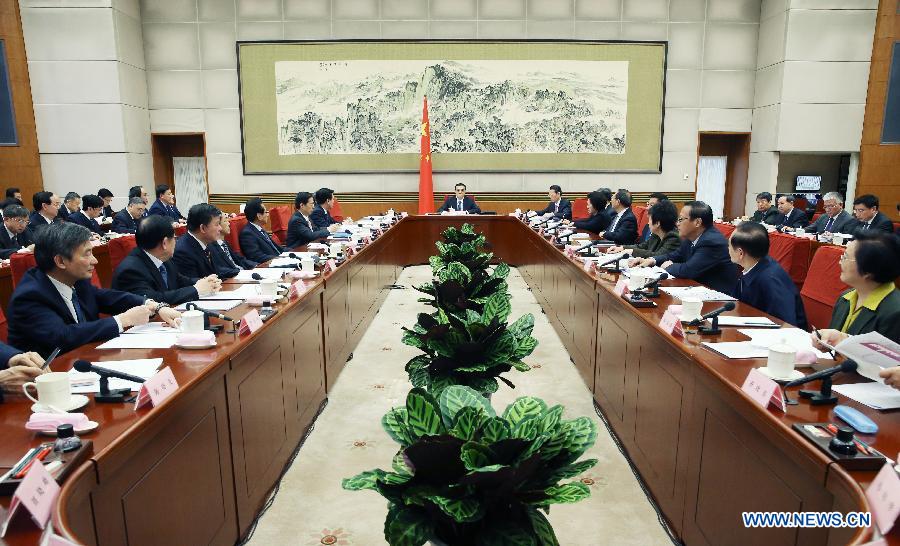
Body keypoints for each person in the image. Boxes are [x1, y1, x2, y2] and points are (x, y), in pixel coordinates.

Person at [7, 222, 181, 356]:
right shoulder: (30, 295)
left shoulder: (76, 280)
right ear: (60, 261)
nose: (95, 261)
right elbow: (62, 337)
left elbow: (107, 297)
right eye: (87, 254)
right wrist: (123, 320)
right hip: (50, 377)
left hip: (86, 359)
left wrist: (153, 305)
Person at [810, 231, 900, 348]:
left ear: (868, 270)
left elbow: (886, 358)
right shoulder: (845, 298)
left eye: (845, 257)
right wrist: (826, 343)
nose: (839, 262)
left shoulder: (894, 312)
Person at [630, 201, 738, 294]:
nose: (677, 224)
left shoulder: (712, 242)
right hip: (695, 289)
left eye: (681, 219)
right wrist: (652, 260)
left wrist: (669, 265)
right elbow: (675, 255)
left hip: (718, 297)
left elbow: (688, 270)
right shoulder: (691, 236)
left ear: (697, 222)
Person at [112, 215, 221, 305]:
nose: (176, 242)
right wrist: (196, 289)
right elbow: (153, 300)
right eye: (174, 238)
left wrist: (205, 282)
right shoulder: (131, 270)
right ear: (164, 243)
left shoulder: (164, 259)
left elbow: (180, 280)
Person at [728, 222, 807, 328]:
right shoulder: (753, 266)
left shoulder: (771, 280)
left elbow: (786, 325)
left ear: (740, 253)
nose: (727, 248)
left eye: (729, 245)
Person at [607, 200, 679, 258]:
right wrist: (622, 248)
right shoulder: (656, 234)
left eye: (649, 219)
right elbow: (643, 246)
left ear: (657, 223)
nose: (648, 223)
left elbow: (658, 256)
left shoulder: (673, 237)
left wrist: (632, 252)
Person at [173, 203, 222, 281]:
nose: (220, 228)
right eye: (217, 224)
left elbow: (217, 271)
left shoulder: (209, 242)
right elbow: (192, 284)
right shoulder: (183, 252)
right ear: (202, 228)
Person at [239, 198, 284, 263]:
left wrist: (292, 252)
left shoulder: (259, 229)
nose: (267, 215)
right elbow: (257, 257)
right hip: (269, 265)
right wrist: (279, 259)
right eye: (266, 212)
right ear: (259, 216)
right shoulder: (247, 234)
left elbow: (277, 248)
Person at [212, 214, 257, 278]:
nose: (229, 224)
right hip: (233, 277)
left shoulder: (225, 243)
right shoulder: (211, 247)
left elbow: (239, 259)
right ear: (217, 225)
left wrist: (256, 266)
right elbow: (221, 269)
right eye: (225, 221)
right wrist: (241, 272)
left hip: (242, 274)